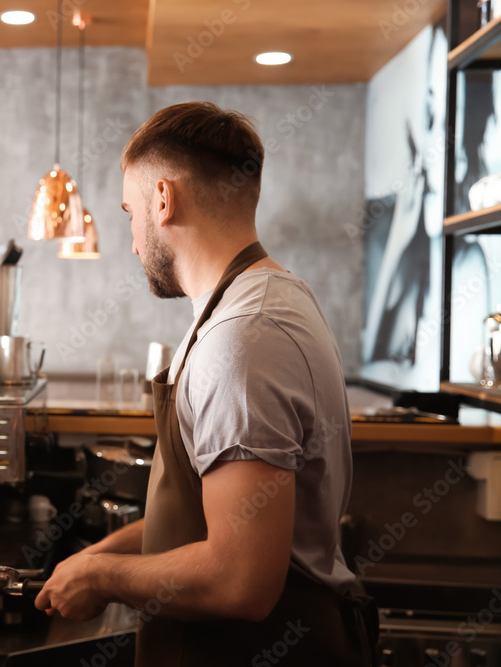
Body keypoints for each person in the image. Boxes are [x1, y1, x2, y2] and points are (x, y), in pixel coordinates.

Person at [35, 102, 377, 666]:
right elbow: (208, 509)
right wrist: (100, 553)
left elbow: (241, 579)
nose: (133, 242)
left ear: (163, 200)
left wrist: (103, 577)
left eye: (129, 213)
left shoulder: (242, 339)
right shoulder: (260, 300)